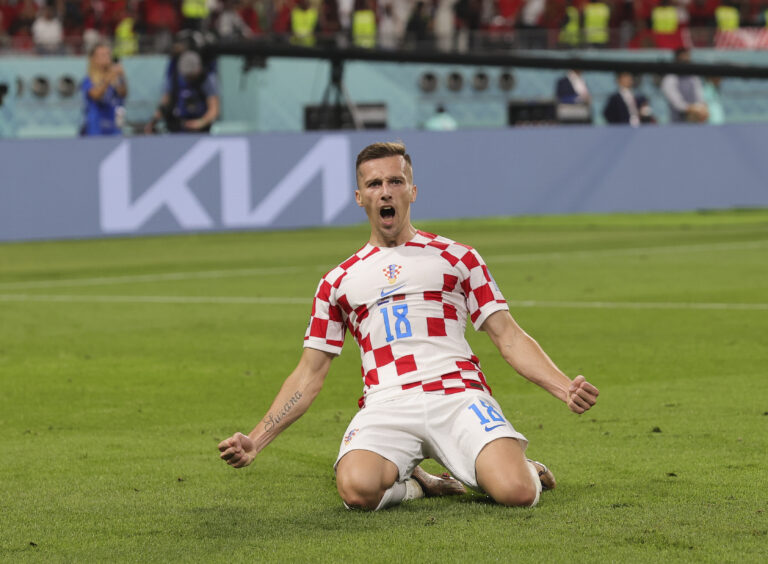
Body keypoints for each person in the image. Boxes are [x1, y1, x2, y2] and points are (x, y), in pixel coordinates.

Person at [218, 142, 600, 511]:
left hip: (458, 395)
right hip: (387, 404)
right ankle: (418, 484)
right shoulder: (337, 282)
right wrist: (256, 439)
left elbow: (508, 336)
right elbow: (309, 373)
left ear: (412, 191)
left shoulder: (458, 258)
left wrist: (564, 387)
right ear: (360, 197)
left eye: (395, 181)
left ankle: (523, 467)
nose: (385, 191)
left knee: (516, 492)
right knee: (356, 489)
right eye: (374, 184)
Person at [145, 49, 219, 134]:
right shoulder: (174, 79)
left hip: (201, 130)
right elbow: (164, 103)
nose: (189, 80)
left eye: (192, 76)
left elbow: (214, 109)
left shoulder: (207, 80)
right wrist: (153, 122)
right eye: (187, 77)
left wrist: (200, 123)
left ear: (199, 69)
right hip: (177, 128)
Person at [81, 42, 127, 136]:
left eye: (108, 54)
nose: (107, 58)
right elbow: (96, 95)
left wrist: (121, 77)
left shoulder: (115, 78)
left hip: (115, 129)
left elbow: (123, 93)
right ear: (93, 59)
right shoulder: (89, 80)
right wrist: (107, 79)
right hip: (96, 130)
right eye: (102, 55)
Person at [660, 47, 708, 123]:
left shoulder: (694, 77)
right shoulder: (669, 79)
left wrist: (702, 108)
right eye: (683, 61)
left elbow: (700, 97)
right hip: (677, 123)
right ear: (676, 61)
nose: (686, 64)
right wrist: (692, 109)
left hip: (696, 121)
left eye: (687, 61)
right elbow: (677, 104)